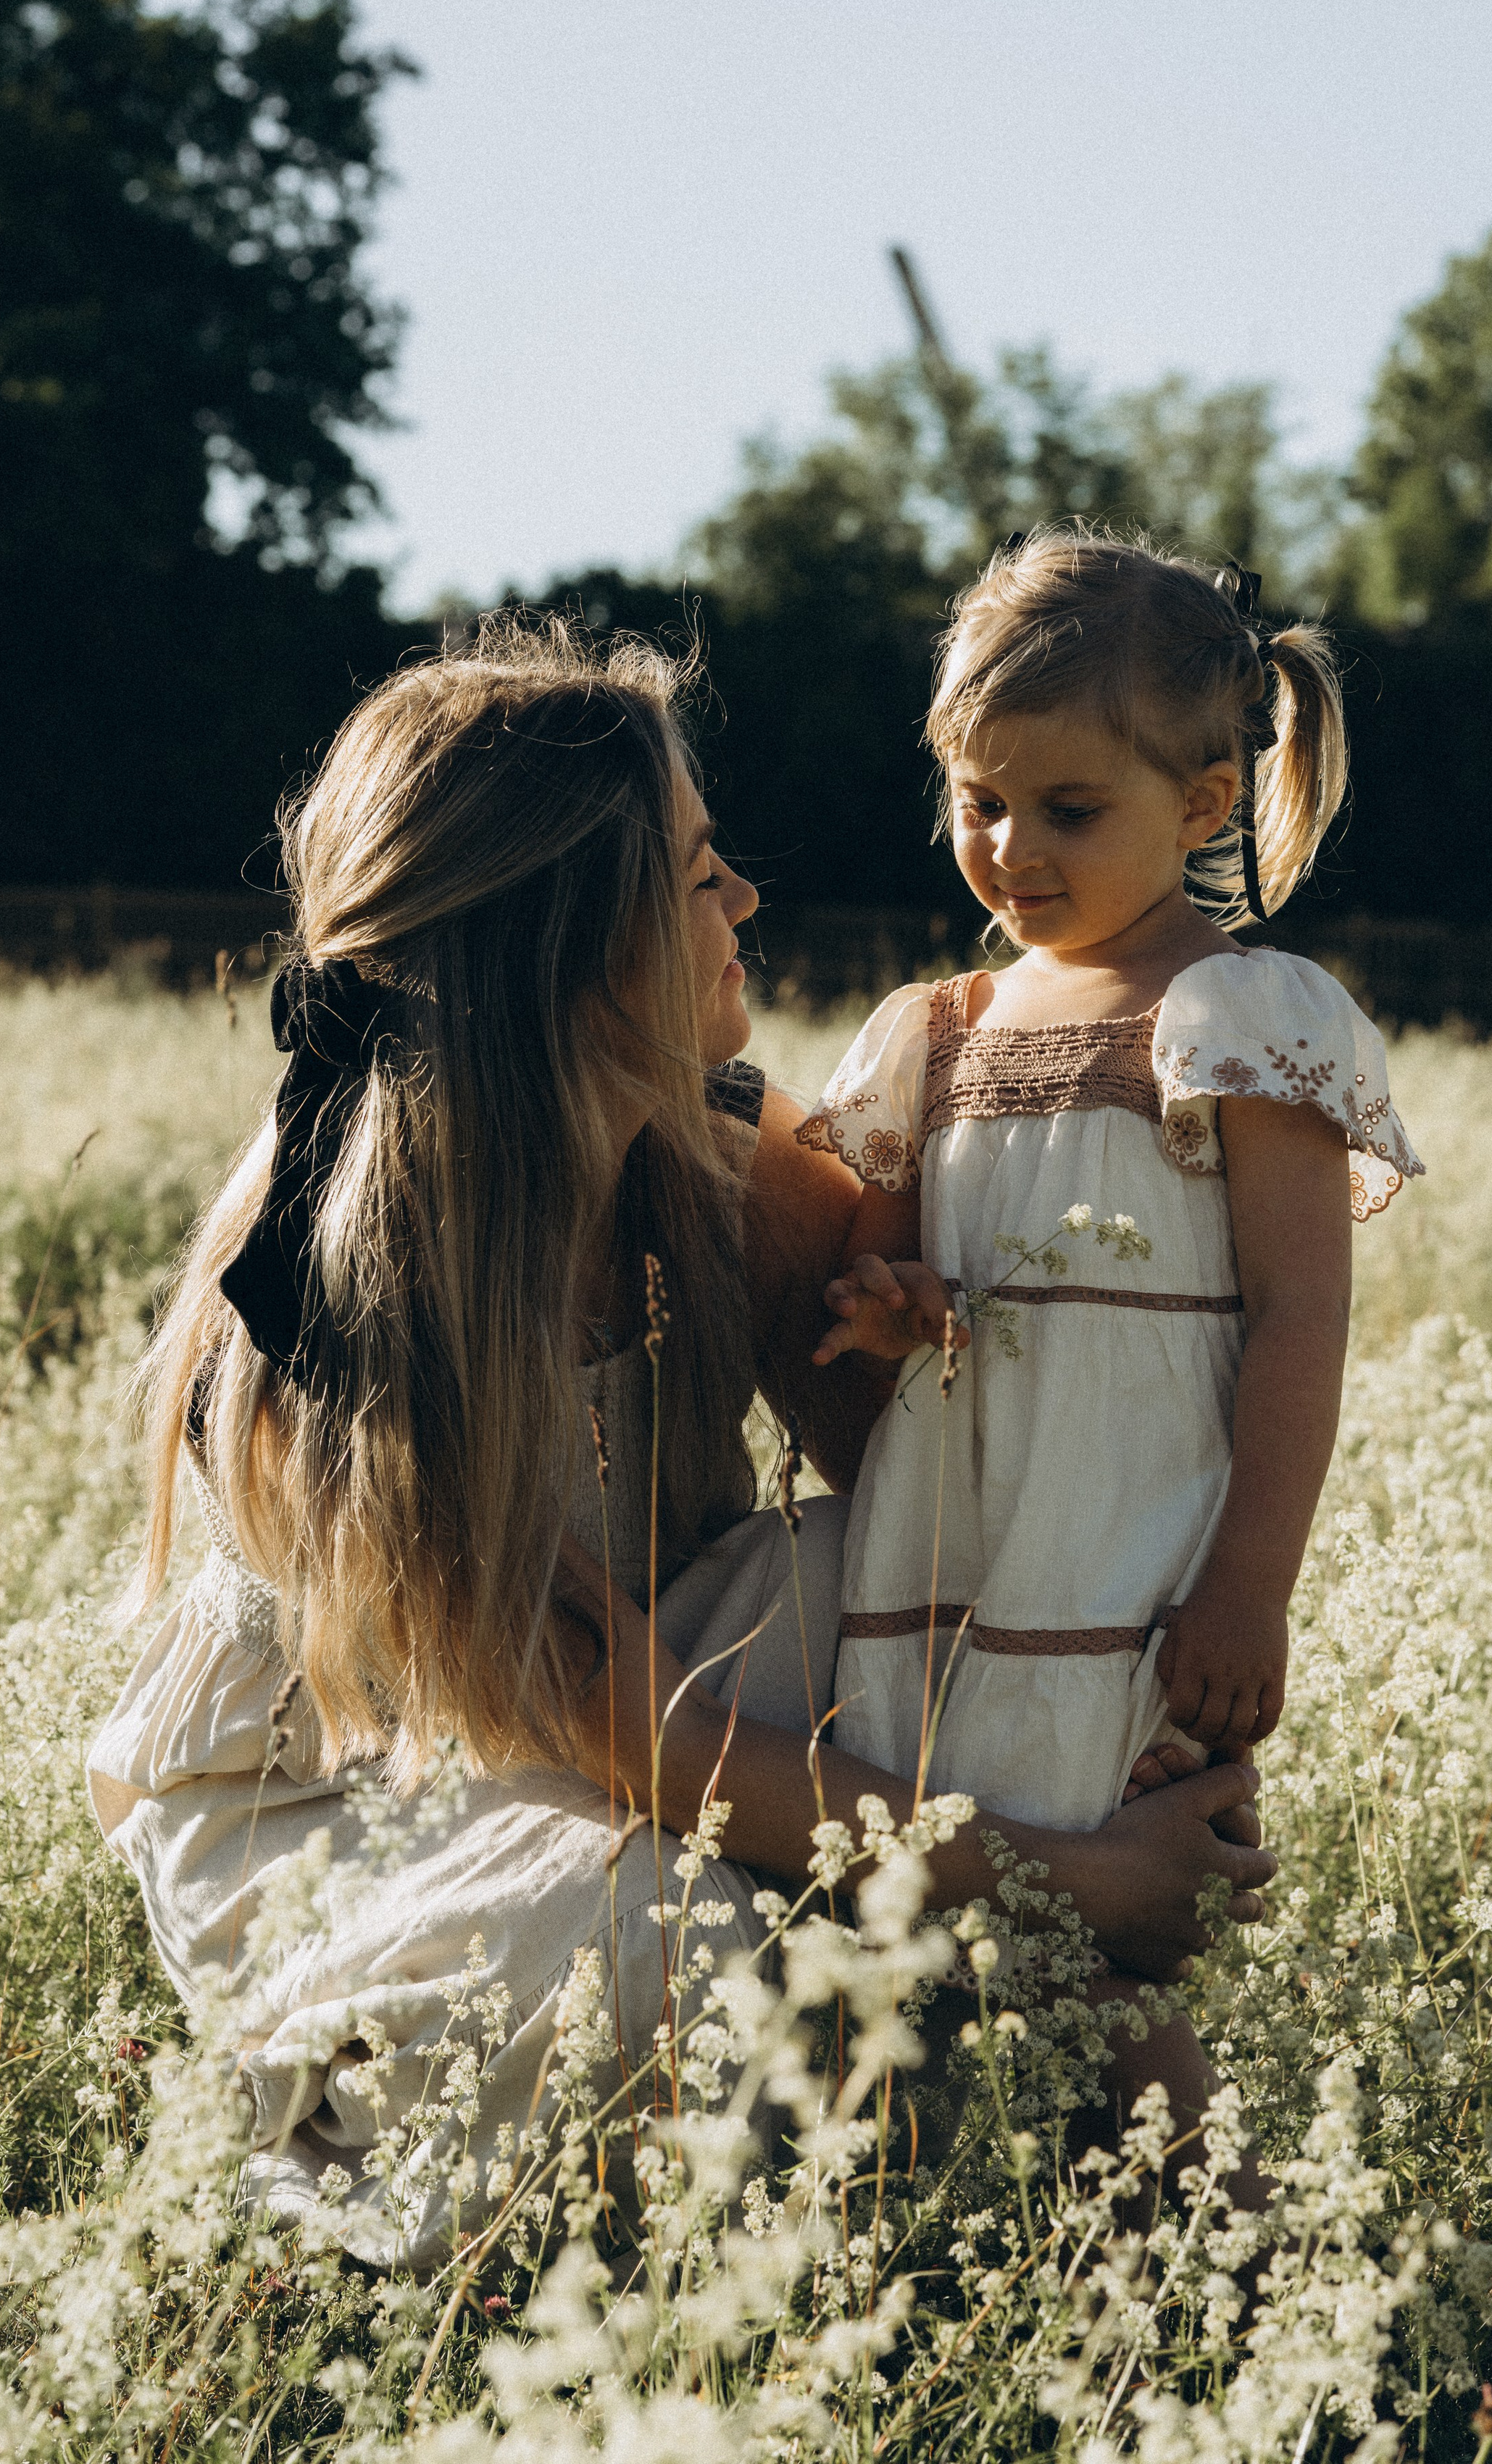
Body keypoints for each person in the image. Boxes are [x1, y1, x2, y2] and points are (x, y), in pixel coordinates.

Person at [87, 617, 1274, 2268]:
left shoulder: (718, 1162)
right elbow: (624, 1732)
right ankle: (365, 2150)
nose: (746, 905)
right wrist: (1071, 1881)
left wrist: (1118, 1717)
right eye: (701, 876)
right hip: (350, 1804)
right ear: (573, 940)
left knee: (929, 1591)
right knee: (664, 1938)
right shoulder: (353, 1285)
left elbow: (951, 1531)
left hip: (650, 1704)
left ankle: (1181, 2195)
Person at [804, 528, 1420, 2198]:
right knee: (919, 1913)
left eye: (1066, 809)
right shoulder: (933, 1032)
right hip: (940, 1555)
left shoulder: (1238, 1015)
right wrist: (888, 1302)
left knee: (1101, 1948)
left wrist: (1246, 1593)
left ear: (1203, 802)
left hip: (1130, 1576)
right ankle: (918, 2248)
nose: (1007, 849)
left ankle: (1218, 2250)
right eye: (977, 800)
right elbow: (873, 1277)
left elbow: (1298, 1321)